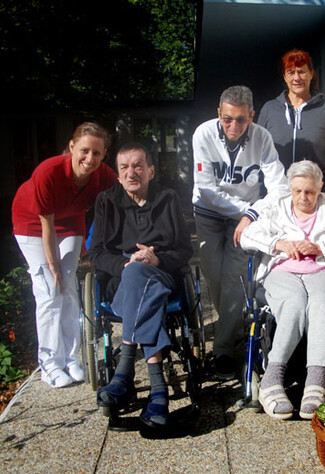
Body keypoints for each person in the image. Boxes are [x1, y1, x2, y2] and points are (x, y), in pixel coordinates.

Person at [240, 161, 325, 420]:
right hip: (282, 271)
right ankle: (273, 377)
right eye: (297, 191)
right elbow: (247, 236)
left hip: (321, 270)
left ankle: (317, 381)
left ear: (320, 187)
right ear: (290, 189)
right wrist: (280, 243)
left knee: (319, 302)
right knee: (294, 303)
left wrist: (320, 248)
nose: (303, 198)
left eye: (309, 191)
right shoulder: (277, 207)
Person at [89, 141, 193, 429]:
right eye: (124, 167)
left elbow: (184, 250)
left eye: (137, 166)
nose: (131, 172)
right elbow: (96, 253)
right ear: (118, 175)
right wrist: (125, 265)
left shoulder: (168, 199)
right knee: (135, 274)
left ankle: (124, 374)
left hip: (160, 273)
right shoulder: (106, 201)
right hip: (121, 277)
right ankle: (157, 389)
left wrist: (156, 260)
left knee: (142, 275)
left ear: (150, 170)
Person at [192, 85, 289, 380]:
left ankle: (222, 349)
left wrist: (252, 214)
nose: (234, 126)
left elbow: (280, 188)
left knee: (234, 280)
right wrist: (245, 210)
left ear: (252, 116)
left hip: (245, 219)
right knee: (215, 278)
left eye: (241, 120)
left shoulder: (263, 138)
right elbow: (206, 189)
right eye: (227, 119)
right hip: (208, 213)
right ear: (219, 114)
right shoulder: (203, 134)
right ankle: (230, 329)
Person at [12, 122, 117, 388]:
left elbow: (122, 196)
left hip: (70, 222)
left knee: (69, 286)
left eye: (96, 153)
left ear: (104, 154)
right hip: (33, 225)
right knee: (50, 288)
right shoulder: (48, 172)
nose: (89, 159)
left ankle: (72, 359)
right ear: (72, 147)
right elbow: (46, 225)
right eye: (84, 151)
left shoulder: (102, 174)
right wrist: (53, 265)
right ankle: (49, 365)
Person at [258, 49, 325, 191]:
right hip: (276, 194)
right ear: (285, 77)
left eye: (302, 71)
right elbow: (258, 150)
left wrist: (322, 182)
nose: (296, 78)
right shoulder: (270, 110)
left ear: (311, 74)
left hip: (313, 195)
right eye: (291, 72)